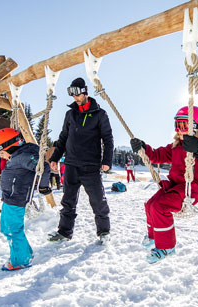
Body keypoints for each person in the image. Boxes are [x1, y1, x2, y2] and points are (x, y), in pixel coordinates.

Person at [130, 106, 198, 263]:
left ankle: (167, 247)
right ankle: (154, 235)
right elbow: (156, 156)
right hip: (173, 186)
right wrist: (143, 147)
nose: (179, 130)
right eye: (177, 125)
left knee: (160, 207)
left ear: (197, 128)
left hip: (191, 190)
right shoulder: (176, 147)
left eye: (184, 126)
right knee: (150, 205)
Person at [48, 77, 114, 244]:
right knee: (67, 201)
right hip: (70, 164)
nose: (75, 98)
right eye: (72, 94)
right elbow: (63, 138)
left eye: (77, 94)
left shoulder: (100, 114)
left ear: (85, 92)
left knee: (98, 200)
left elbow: (108, 139)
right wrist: (55, 157)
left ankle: (104, 232)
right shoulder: (70, 114)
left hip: (91, 165)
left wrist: (107, 161)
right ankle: (64, 232)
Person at [0, 128, 51, 271]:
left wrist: (43, 187)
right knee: (6, 227)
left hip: (16, 199)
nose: (1, 156)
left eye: (1, 152)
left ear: (10, 147)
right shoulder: (17, 155)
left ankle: (20, 261)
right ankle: (26, 253)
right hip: (9, 198)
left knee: (13, 230)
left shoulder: (23, 157)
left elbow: (44, 168)